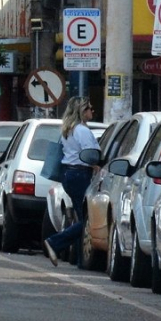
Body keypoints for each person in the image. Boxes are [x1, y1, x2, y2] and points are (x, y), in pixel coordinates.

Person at [44, 96, 99, 266]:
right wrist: (96, 164)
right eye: (89, 108)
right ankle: (54, 242)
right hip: (80, 174)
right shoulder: (82, 130)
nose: (92, 111)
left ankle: (80, 259)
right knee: (86, 220)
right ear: (82, 111)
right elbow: (90, 153)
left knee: (81, 216)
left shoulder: (68, 130)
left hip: (69, 175)